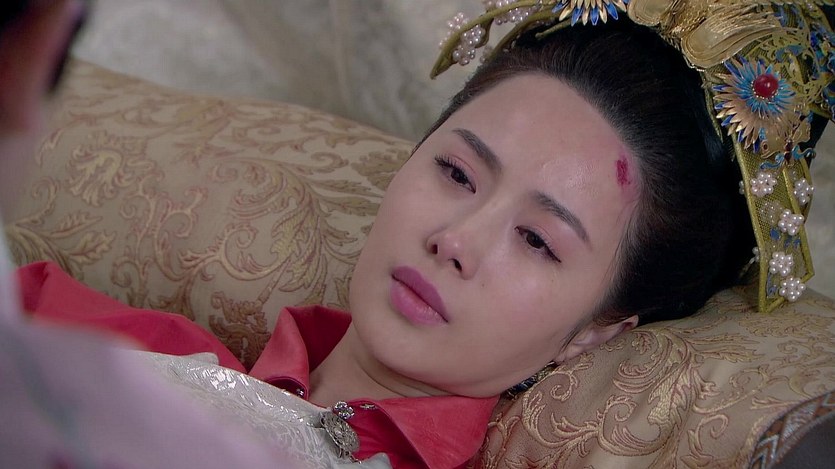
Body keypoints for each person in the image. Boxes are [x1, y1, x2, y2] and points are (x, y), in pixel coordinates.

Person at [5, 1, 834, 468]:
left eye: (538, 240)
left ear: (597, 329)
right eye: (457, 173)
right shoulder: (78, 330)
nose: (456, 239)